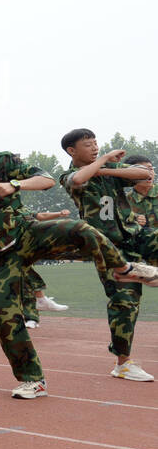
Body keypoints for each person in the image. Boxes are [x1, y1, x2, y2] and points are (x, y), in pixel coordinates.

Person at [0, 120, 156, 398]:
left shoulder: (4, 161)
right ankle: (33, 380)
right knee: (3, 317)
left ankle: (124, 268)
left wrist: (14, 184)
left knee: (80, 229)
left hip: (27, 234)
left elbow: (45, 179)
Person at [59, 129, 158, 381]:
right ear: (72, 151)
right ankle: (123, 363)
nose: (94, 148)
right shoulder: (68, 176)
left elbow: (143, 174)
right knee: (125, 302)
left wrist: (105, 168)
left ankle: (149, 274)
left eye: (96, 144)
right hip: (108, 247)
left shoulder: (108, 172)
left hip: (136, 235)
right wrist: (103, 162)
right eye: (88, 145)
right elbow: (79, 180)